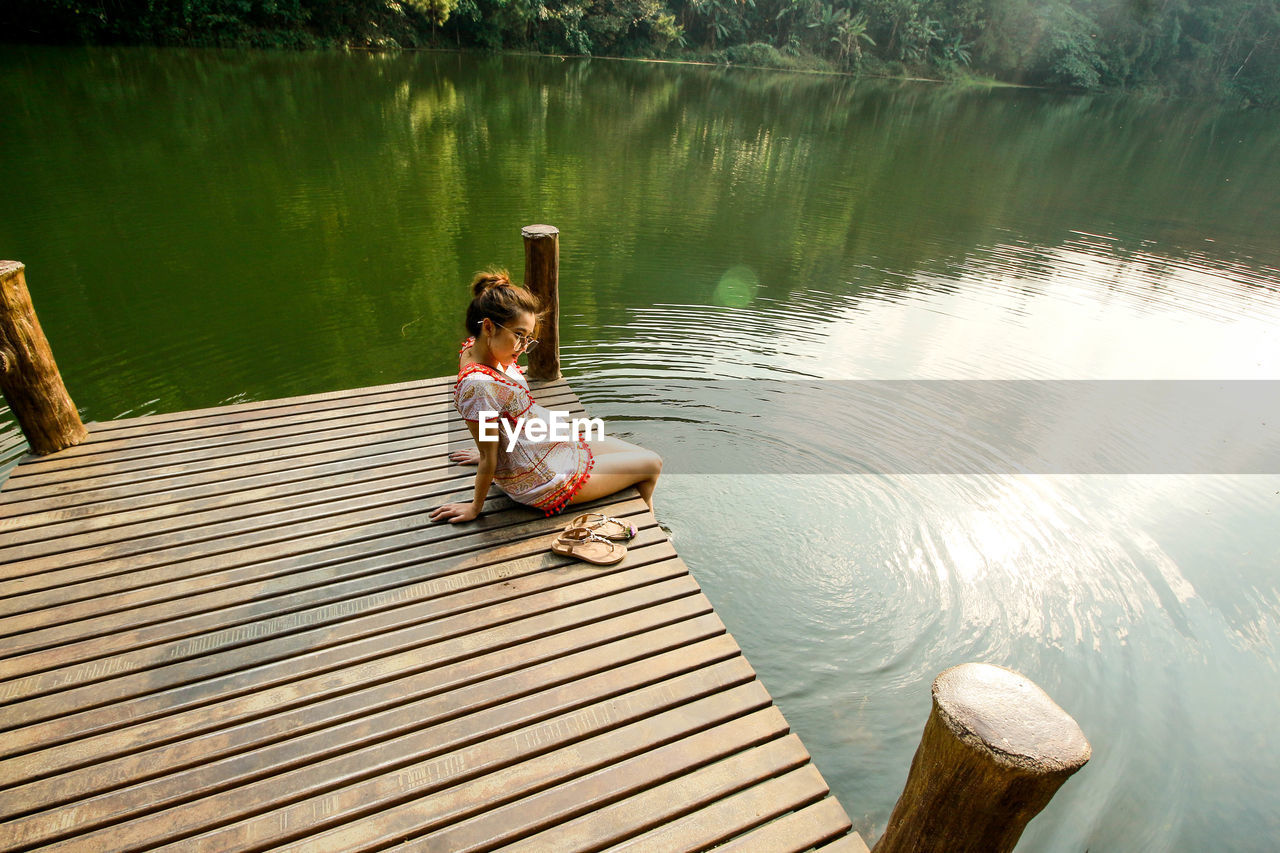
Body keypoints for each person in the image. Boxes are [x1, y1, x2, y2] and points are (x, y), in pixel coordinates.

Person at [429, 270, 662, 524]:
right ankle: (648, 524)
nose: (522, 347)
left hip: (546, 447)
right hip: (545, 478)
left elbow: (490, 423)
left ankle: (644, 519)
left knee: (636, 456)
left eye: (527, 339)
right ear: (487, 327)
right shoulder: (479, 385)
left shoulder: (476, 351)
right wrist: (475, 503)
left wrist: (490, 449)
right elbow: (487, 439)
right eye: (519, 335)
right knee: (652, 464)